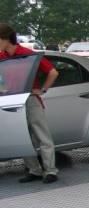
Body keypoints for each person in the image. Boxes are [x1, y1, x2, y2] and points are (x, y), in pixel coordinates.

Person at [0, 23, 59, 183]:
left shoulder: (28, 54)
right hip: (12, 100)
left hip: (30, 99)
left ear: (5, 39)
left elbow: (53, 72)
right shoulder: (2, 57)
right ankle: (34, 170)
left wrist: (42, 89)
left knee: (42, 135)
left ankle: (50, 171)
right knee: (22, 137)